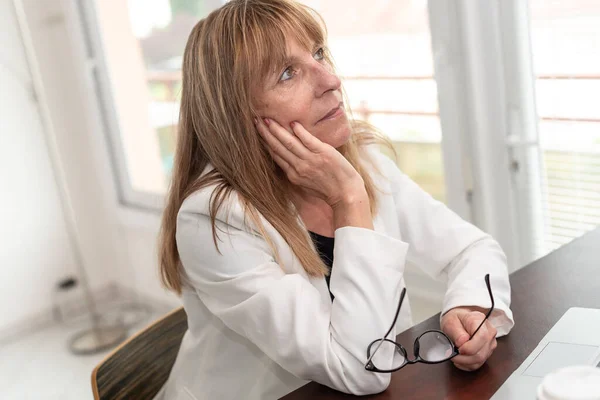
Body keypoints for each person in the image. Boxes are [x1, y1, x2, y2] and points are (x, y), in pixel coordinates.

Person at [155, 0, 514, 399]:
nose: (330, 80)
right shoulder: (214, 218)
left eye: (319, 53)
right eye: (288, 73)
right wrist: (349, 201)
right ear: (235, 114)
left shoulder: (361, 160)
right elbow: (362, 369)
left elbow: (472, 249)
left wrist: (470, 309)